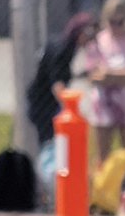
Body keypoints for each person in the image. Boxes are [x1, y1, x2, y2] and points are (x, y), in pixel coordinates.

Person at [84, 0, 125, 165]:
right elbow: (93, 75)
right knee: (102, 156)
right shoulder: (98, 41)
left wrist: (109, 75)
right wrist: (122, 75)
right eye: (112, 21)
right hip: (103, 105)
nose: (116, 27)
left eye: (120, 22)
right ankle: (102, 190)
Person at [25, 12, 98, 148]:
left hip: (48, 103)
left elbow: (63, 73)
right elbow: (57, 84)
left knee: (58, 145)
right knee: (51, 145)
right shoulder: (62, 49)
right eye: (88, 35)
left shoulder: (68, 46)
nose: (90, 40)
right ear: (78, 32)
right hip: (43, 104)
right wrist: (72, 110)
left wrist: (83, 74)